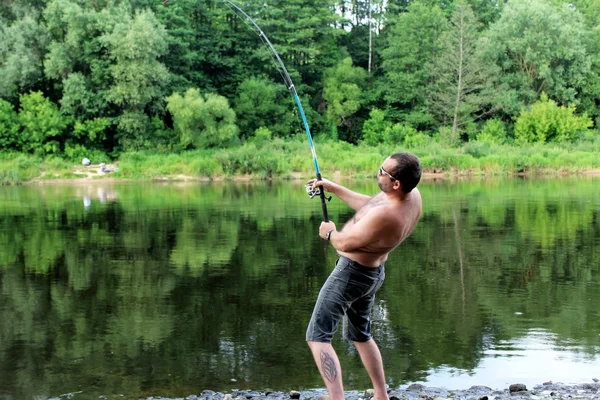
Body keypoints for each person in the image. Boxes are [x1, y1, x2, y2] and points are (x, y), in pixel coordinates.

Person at [306, 152, 423, 400]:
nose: (378, 172)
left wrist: (329, 233)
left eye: (384, 171)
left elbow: (345, 243)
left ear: (396, 184)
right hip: (372, 275)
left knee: (318, 336)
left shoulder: (388, 216)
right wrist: (333, 187)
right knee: (361, 334)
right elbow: (371, 205)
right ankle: (381, 395)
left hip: (351, 275)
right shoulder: (411, 197)